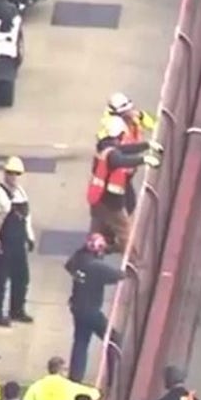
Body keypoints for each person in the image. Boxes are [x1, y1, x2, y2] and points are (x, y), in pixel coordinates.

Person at [88, 112, 162, 246]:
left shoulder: (105, 146)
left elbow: (125, 149)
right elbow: (121, 159)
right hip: (111, 201)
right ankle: (134, 262)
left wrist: (147, 145)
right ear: (120, 134)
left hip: (99, 198)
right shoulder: (111, 153)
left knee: (98, 227)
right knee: (125, 233)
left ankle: (94, 249)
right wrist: (144, 159)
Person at [0, 156, 36, 326]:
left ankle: (17, 310)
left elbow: (26, 217)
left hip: (18, 241)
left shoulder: (21, 192)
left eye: (17, 174)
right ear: (5, 173)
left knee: (22, 277)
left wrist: (30, 236)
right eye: (11, 173)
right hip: (2, 241)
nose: (13, 177)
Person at [64, 233, 123, 382]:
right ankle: (112, 378)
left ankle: (75, 378)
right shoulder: (95, 266)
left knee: (81, 342)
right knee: (113, 339)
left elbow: (69, 265)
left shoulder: (78, 259)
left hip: (77, 307)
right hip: (90, 311)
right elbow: (117, 275)